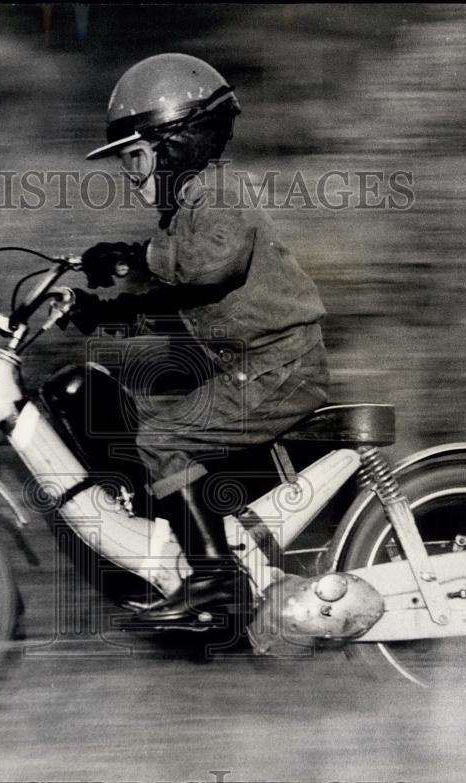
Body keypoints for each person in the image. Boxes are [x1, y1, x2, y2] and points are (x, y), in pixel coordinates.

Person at [71, 53, 329, 627]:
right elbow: (176, 295)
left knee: (163, 437)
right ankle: (198, 561)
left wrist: (129, 257)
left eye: (136, 159)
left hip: (280, 368)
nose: (131, 177)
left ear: (174, 144)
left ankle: (216, 585)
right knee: (145, 417)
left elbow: (207, 267)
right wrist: (101, 309)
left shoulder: (219, 192)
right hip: (254, 367)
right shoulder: (187, 209)